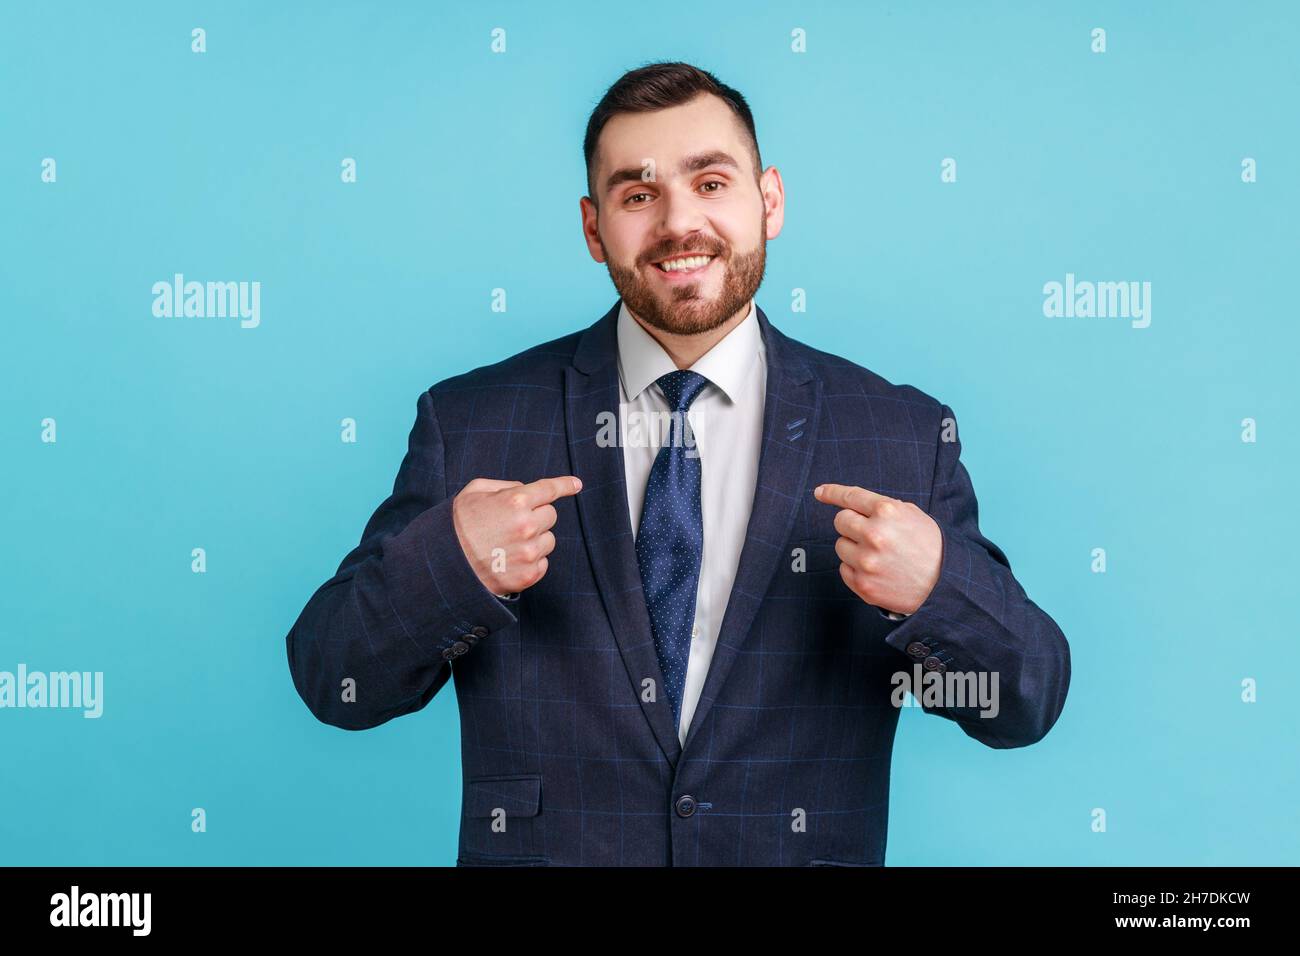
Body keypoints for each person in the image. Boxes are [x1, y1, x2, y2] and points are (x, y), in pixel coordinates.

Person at [286, 61, 1071, 867]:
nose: (677, 224)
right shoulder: (472, 423)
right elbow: (332, 677)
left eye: (711, 183)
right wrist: (451, 566)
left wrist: (939, 589)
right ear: (594, 230)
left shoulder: (900, 433)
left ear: (769, 201)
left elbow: (1027, 701)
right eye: (638, 195)